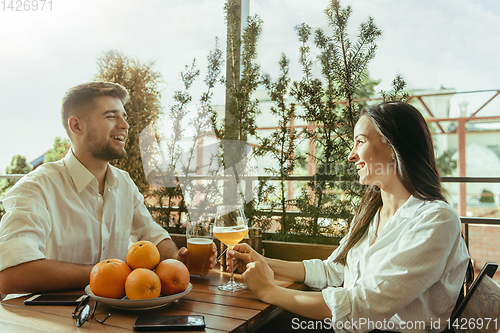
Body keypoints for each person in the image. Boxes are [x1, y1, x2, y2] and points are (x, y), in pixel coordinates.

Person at [229, 102, 472, 332]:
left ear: (392, 148)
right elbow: (335, 271)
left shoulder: (436, 220)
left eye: (360, 142)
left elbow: (362, 307)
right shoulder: (372, 212)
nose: (351, 155)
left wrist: (269, 292)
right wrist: (263, 261)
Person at [0, 81, 216, 295]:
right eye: (111, 116)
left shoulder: (124, 183)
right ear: (77, 126)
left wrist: (176, 259)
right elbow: (10, 274)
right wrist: (109, 275)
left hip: (114, 319)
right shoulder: (35, 188)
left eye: (124, 117)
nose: (125, 125)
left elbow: (150, 235)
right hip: (49, 323)